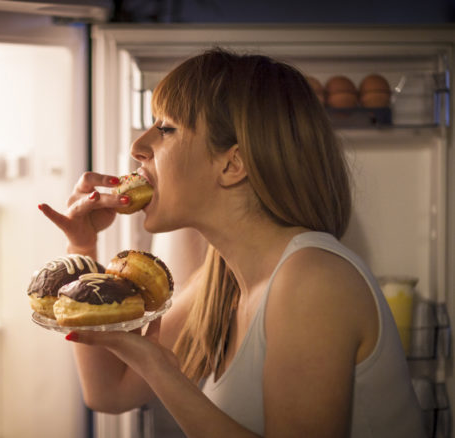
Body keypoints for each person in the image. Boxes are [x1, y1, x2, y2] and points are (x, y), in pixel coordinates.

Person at [38, 47, 425, 438]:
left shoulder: (313, 280)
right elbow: (109, 393)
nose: (139, 146)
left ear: (232, 164)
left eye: (166, 128)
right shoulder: (220, 283)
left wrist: (159, 369)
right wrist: (83, 250)